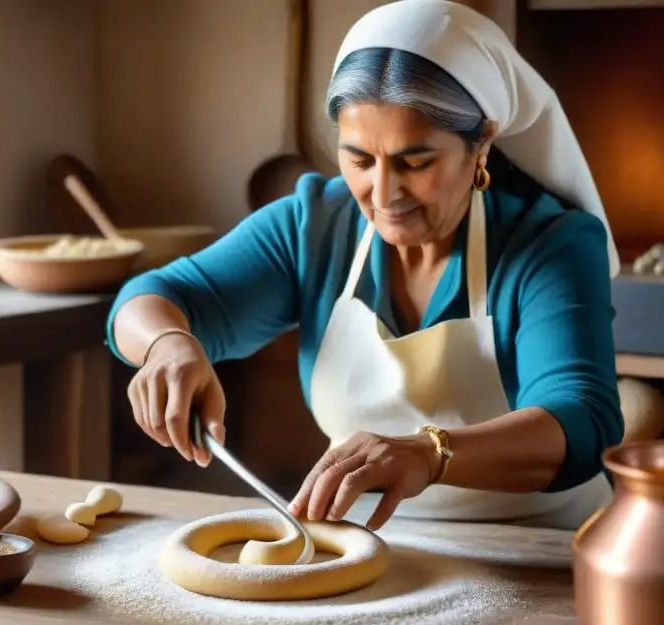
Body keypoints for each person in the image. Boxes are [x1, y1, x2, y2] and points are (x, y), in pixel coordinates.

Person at [106, 0, 624, 532]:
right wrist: (166, 344)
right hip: (382, 548)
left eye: (415, 162)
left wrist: (429, 453)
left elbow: (582, 421)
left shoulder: (550, 244)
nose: (384, 194)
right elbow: (153, 294)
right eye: (358, 159)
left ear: (481, 143)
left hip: (542, 551)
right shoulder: (314, 226)